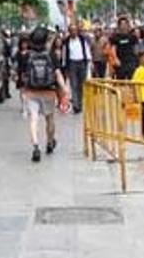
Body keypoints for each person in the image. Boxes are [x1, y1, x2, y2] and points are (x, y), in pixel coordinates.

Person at [21, 27, 67, 162]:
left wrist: (23, 90)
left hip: (31, 92)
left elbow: (21, 75)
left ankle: (36, 146)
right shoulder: (51, 55)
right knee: (50, 118)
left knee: (33, 119)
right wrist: (64, 89)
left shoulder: (26, 56)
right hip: (49, 91)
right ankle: (50, 142)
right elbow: (58, 73)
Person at [62, 24, 92, 113]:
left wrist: (89, 61)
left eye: (75, 30)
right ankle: (76, 105)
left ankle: (80, 103)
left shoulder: (82, 40)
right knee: (73, 85)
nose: (73, 32)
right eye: (71, 30)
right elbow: (64, 54)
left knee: (81, 85)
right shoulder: (66, 41)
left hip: (82, 62)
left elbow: (87, 50)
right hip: (72, 64)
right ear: (69, 32)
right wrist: (64, 66)